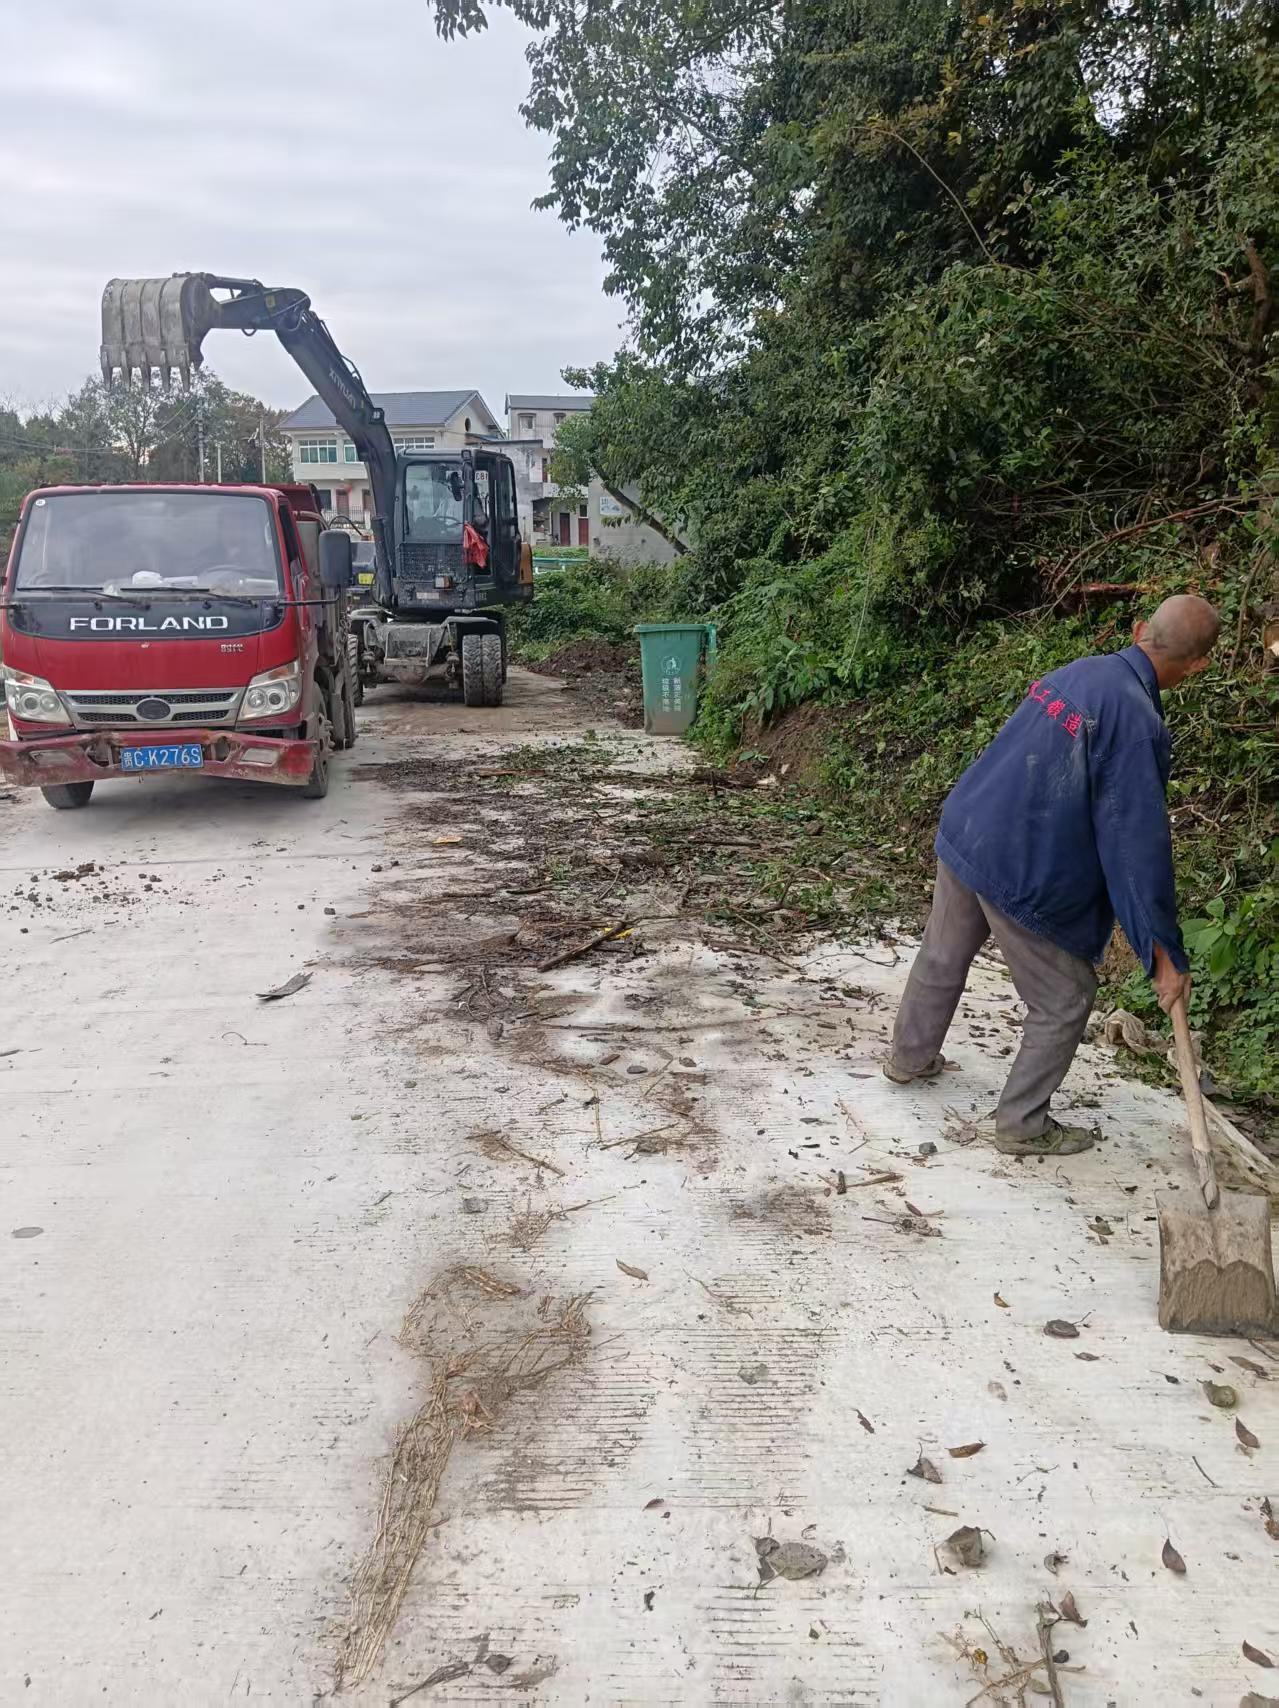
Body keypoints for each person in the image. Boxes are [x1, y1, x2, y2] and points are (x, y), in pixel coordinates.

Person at [884, 595, 1220, 1157]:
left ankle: (907, 1059)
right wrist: (1162, 950)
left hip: (970, 826)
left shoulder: (1076, 672)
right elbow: (1135, 849)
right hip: (1017, 858)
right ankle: (1021, 1123)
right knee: (1066, 995)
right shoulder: (1136, 723)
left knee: (943, 953)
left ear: (1139, 630)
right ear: (1198, 666)